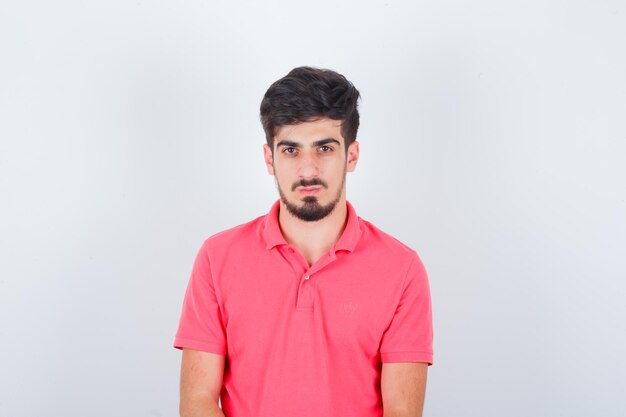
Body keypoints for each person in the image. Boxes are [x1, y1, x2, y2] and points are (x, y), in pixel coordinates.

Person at [173, 66, 434, 417]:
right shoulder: (217, 258)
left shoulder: (402, 269)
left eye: (324, 148)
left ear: (351, 155)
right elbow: (198, 402)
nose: (308, 170)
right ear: (270, 158)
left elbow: (401, 411)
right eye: (291, 150)